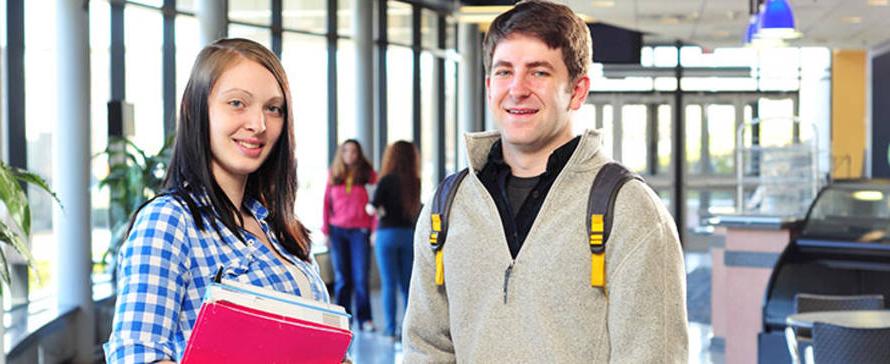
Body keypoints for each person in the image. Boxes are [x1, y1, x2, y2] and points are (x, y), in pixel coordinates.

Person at [402, 1, 689, 362]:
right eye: (505, 72)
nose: (517, 89)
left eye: (538, 72)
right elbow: (426, 346)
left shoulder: (630, 211)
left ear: (578, 90)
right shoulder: (448, 206)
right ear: (490, 86)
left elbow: (652, 355)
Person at [104, 38, 330, 363]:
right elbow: (136, 355)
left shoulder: (278, 227)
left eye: (273, 108)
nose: (259, 124)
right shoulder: (169, 221)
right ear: (196, 111)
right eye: (237, 103)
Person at [323, 139, 377, 331]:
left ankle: (365, 319)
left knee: (361, 278)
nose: (350, 154)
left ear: (359, 153)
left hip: (360, 232)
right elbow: (326, 205)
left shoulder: (369, 175)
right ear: (341, 153)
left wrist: (374, 230)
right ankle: (344, 320)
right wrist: (326, 231)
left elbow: (377, 203)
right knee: (342, 278)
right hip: (338, 232)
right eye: (346, 151)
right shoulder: (334, 174)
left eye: (354, 151)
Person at [370, 141, 421, 340]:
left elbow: (373, 207)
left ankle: (390, 329)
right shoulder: (414, 181)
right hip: (407, 234)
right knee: (406, 284)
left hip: (386, 234)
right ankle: (409, 329)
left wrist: (373, 207)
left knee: (388, 284)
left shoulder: (386, 180)